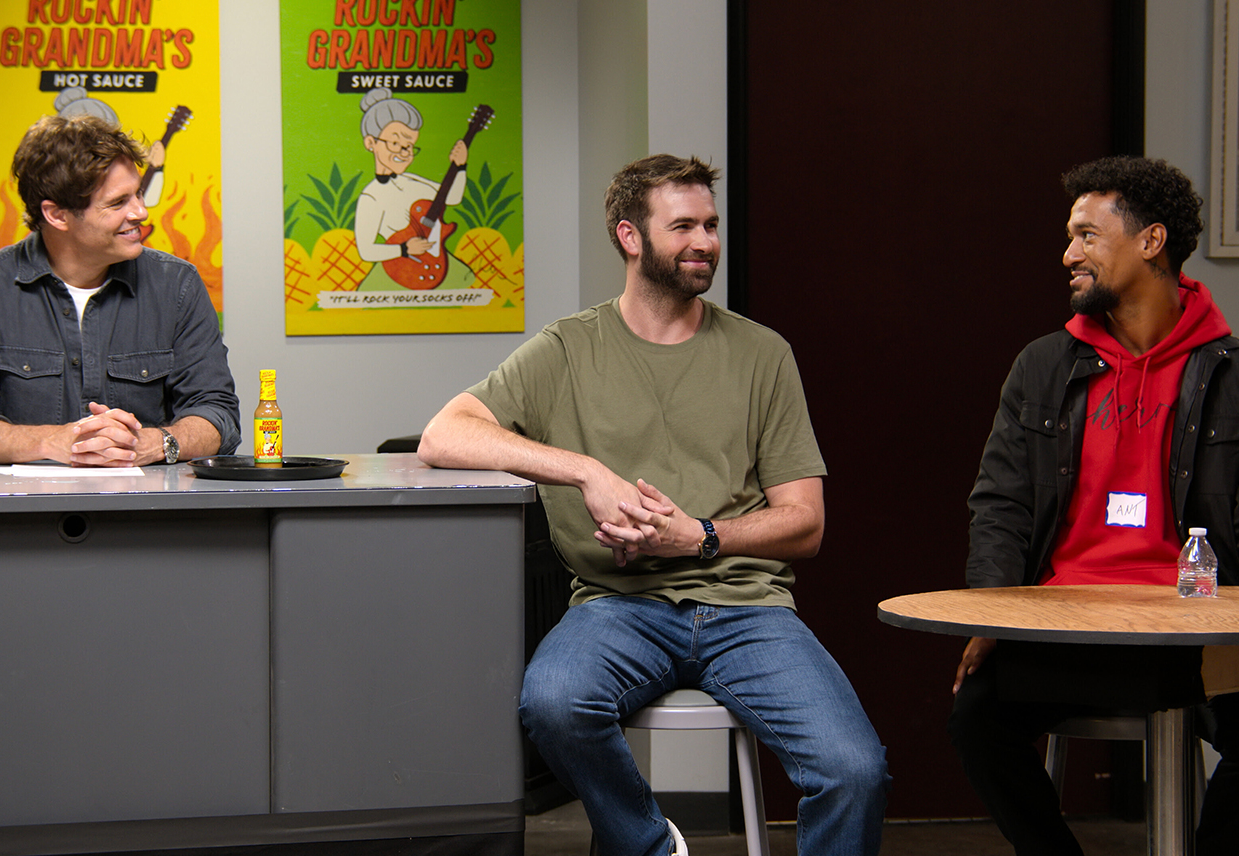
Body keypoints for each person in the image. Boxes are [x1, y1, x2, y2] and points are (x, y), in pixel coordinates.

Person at [419, 153, 890, 856]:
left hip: (747, 610)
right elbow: (443, 433)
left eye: (710, 225)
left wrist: (698, 536)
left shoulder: (763, 354)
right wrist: (585, 472)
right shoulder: (568, 349)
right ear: (630, 237)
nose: (705, 242)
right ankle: (649, 846)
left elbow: (806, 523)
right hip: (617, 606)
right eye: (683, 227)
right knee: (554, 705)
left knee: (855, 770)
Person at [948, 155, 1239, 856]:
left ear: (1151, 241)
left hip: (1196, 634)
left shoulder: (1230, 372)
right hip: (1067, 628)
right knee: (976, 717)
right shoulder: (1044, 366)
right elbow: (1001, 502)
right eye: (1070, 237)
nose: (1068, 254)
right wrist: (991, 612)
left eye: (1087, 235)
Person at [0, 114, 239, 466]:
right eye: (118, 203)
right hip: (23, 501)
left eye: (138, 194)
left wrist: (152, 444)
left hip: (146, 500)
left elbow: (218, 415)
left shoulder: (178, 284)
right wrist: (51, 442)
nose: (141, 212)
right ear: (57, 215)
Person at [353, 87, 477, 291]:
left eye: (409, 146)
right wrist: (403, 249)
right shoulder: (371, 196)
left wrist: (461, 166)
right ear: (370, 143)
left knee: (467, 282)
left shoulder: (412, 182)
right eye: (395, 143)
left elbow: (452, 197)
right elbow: (366, 251)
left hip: (437, 260)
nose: (404, 152)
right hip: (398, 268)